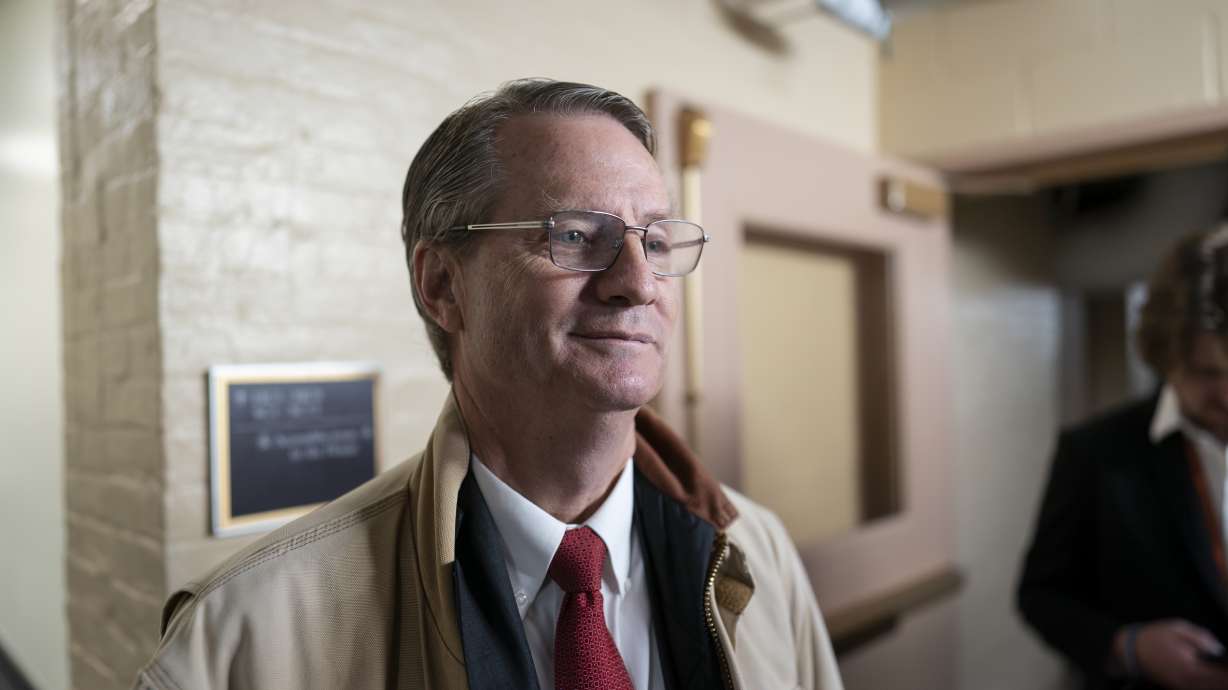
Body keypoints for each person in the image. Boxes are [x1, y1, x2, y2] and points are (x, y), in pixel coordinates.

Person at [133, 78, 843, 690]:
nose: (637, 284)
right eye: (574, 236)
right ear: (442, 284)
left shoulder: (758, 550)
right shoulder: (246, 636)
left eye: (655, 242)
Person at [1018, 225, 1228, 690]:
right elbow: (1040, 596)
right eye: (1206, 373)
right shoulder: (1096, 451)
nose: (1227, 395)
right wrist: (1128, 647)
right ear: (1164, 356)